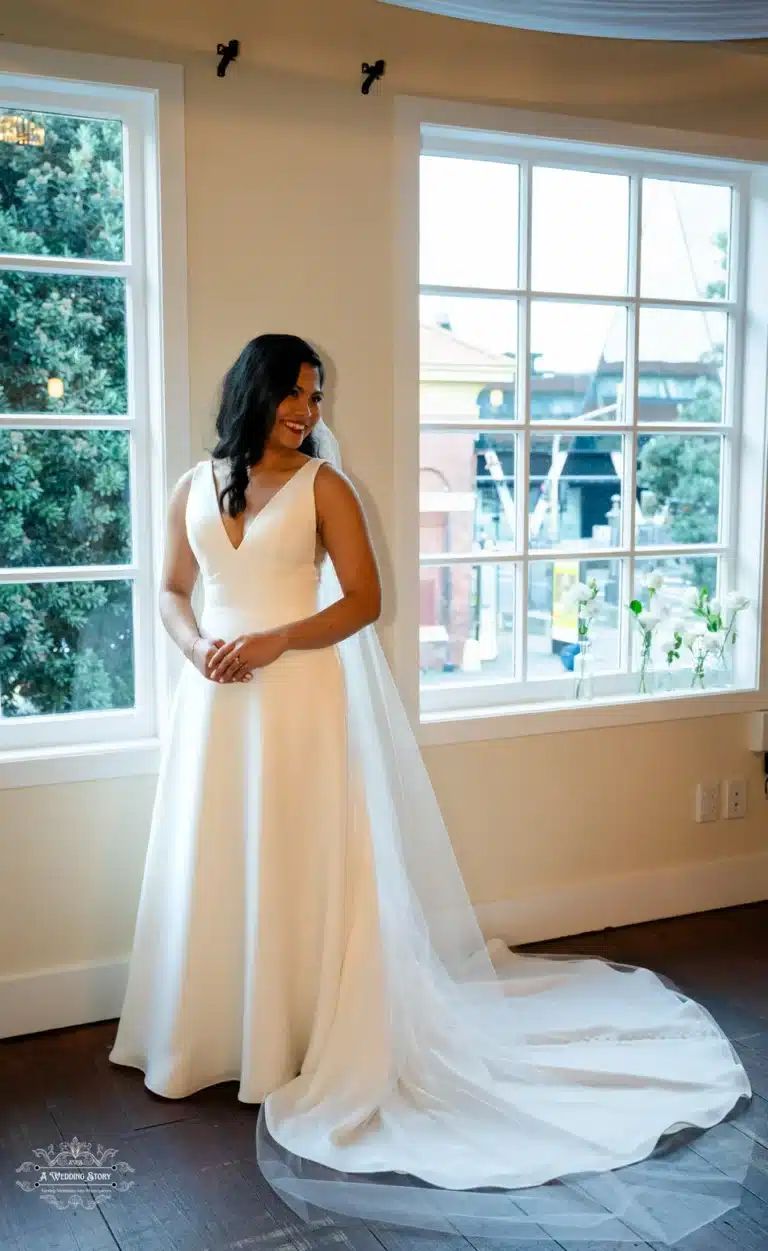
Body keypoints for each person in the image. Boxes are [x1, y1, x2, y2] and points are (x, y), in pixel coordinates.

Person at [109, 334, 753, 1244]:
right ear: (253, 391)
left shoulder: (326, 487)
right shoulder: (192, 485)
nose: (307, 410)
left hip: (298, 700)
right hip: (217, 705)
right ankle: (211, 1032)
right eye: (293, 393)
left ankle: (298, 1035)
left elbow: (364, 600)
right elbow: (174, 589)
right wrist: (195, 649)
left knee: (303, 857)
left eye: (316, 396)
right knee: (217, 856)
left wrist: (271, 641)